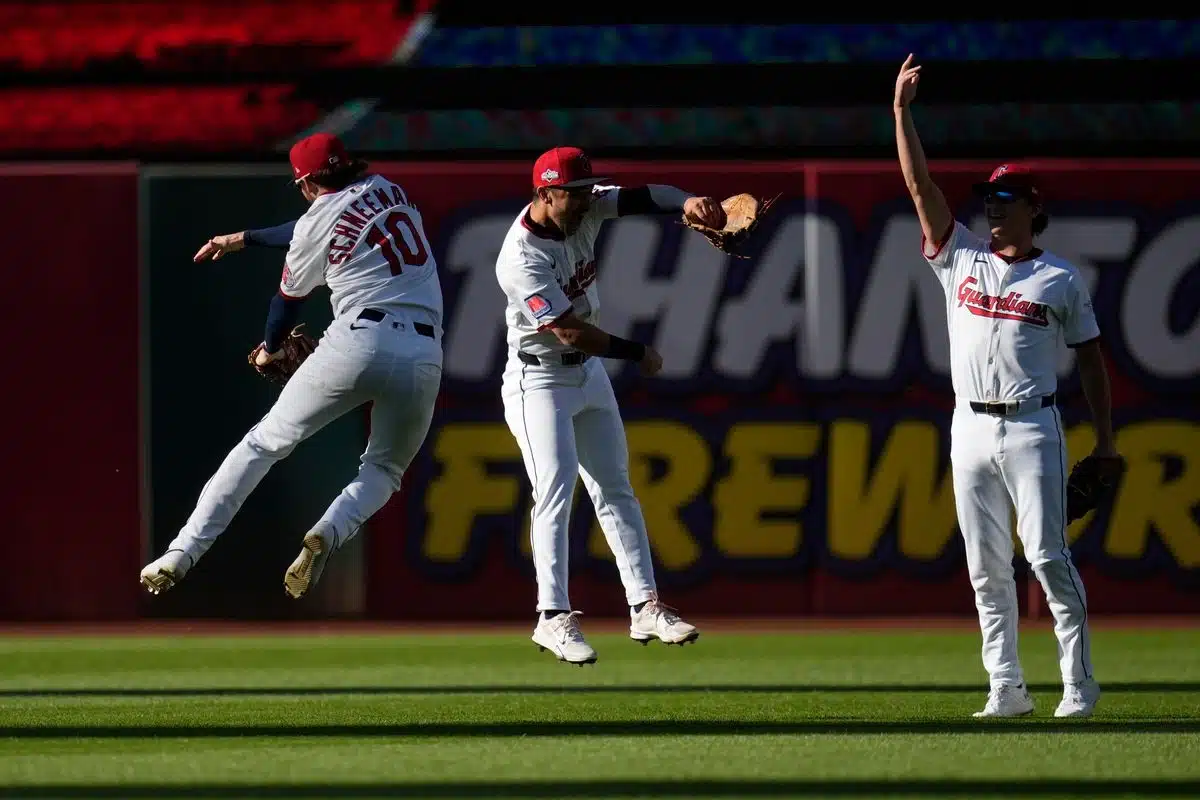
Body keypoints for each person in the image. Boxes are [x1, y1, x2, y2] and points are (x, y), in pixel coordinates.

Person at [894, 56, 1115, 718]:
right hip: (970, 426)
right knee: (985, 568)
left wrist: (1105, 441)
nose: (993, 210)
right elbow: (917, 185)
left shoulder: (1061, 280)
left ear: (1033, 208)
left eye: (1005, 201)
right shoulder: (961, 256)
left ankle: (1078, 683)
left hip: (1031, 425)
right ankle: (1006, 687)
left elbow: (1093, 362)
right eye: (989, 201)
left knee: (1048, 557)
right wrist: (901, 114)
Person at [140, 133, 444, 601]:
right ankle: (329, 528)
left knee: (262, 445)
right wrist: (246, 238)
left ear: (303, 182)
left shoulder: (314, 224)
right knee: (384, 470)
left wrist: (270, 348)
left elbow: (287, 301)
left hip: (358, 340)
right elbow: (313, 225)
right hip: (424, 353)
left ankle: (181, 553)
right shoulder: (388, 188)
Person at [494, 146, 725, 665]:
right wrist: (636, 351)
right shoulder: (520, 258)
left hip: (587, 374)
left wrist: (688, 203)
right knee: (554, 489)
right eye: (571, 194)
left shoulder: (587, 205)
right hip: (539, 378)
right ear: (543, 193)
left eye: (584, 190)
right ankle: (551, 617)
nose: (582, 201)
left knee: (616, 488)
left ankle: (644, 607)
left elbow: (653, 196)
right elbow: (568, 329)